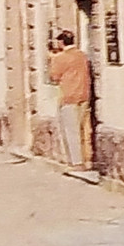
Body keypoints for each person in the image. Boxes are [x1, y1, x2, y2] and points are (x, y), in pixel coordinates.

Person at [48, 31, 92, 171]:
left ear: (61, 42)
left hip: (68, 97)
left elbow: (54, 77)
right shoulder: (82, 55)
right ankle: (88, 160)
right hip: (84, 95)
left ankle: (76, 163)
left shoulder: (61, 58)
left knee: (71, 130)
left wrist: (52, 59)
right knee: (84, 129)